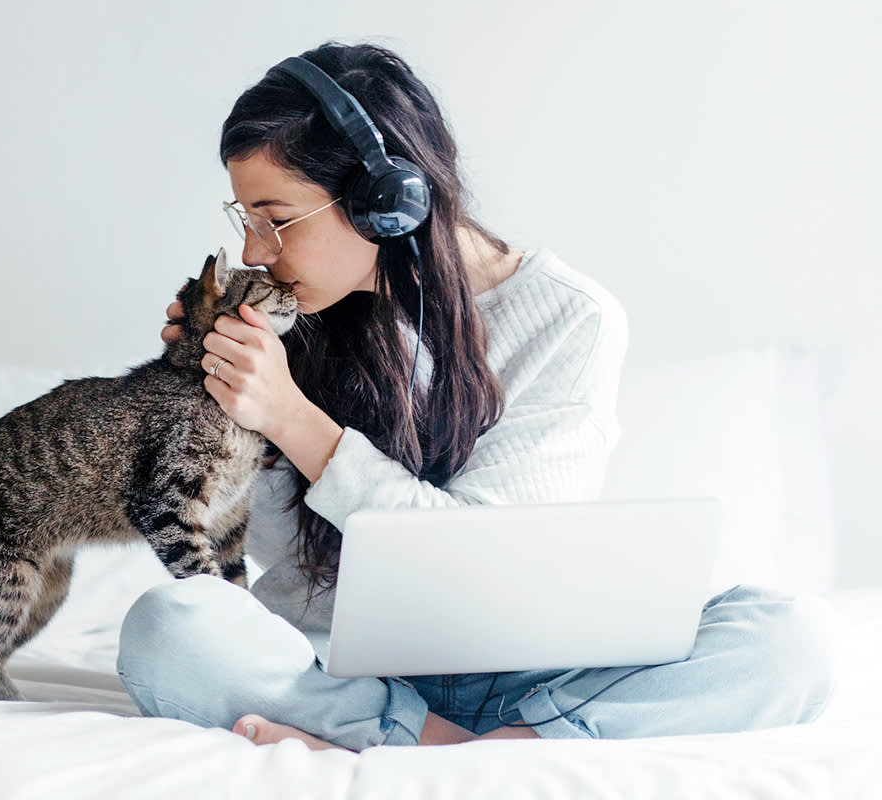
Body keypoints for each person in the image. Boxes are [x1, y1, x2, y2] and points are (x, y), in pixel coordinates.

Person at [115, 41, 834, 752]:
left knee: (783, 643)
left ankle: (440, 741)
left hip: (529, 670)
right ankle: (467, 743)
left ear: (385, 202)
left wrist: (289, 416)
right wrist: (210, 408)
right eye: (245, 219)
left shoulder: (571, 319)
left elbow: (464, 567)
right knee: (169, 629)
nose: (253, 251)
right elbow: (275, 554)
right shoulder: (290, 320)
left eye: (275, 218)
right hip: (338, 663)